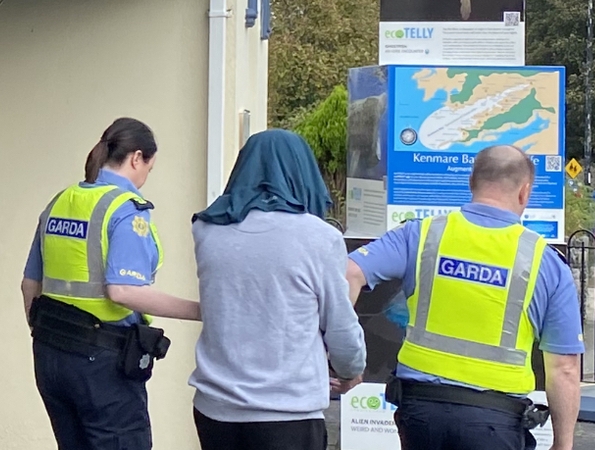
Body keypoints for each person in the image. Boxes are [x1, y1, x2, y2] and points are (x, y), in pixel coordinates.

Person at [346, 145, 583, 450]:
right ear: (525, 192)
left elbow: (349, 272)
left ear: (471, 182)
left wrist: (347, 362)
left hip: (421, 414)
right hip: (495, 422)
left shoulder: (421, 234)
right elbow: (565, 367)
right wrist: (563, 444)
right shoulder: (545, 262)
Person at [21, 117, 201, 450]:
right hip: (102, 363)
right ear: (136, 158)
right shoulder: (125, 210)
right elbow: (123, 291)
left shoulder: (61, 200)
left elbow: (29, 284)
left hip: (50, 356)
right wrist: (201, 310)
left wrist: (43, 332)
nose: (147, 176)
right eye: (149, 166)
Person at [188, 129, 367, 450]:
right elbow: (339, 325)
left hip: (215, 410)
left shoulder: (207, 228)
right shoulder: (319, 237)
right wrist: (350, 370)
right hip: (288, 412)